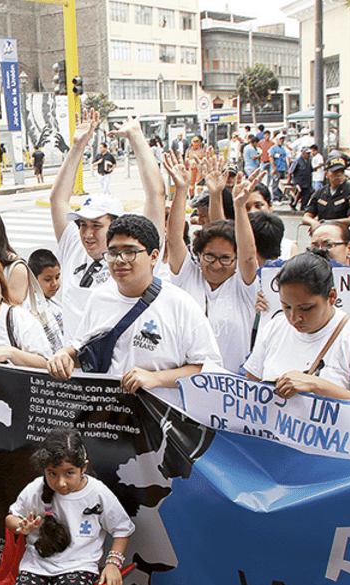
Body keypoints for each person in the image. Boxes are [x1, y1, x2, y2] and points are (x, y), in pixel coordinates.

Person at [47, 214, 222, 407]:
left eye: (130, 252)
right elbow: (83, 348)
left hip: (157, 427)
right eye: (112, 253)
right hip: (106, 421)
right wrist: (64, 355)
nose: (119, 260)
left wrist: (156, 379)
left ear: (153, 256)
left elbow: (207, 370)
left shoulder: (181, 305)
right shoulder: (98, 299)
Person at [243, 250, 350, 453]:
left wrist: (315, 385)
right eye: (286, 306)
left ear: (331, 296)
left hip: (330, 462)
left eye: (306, 308)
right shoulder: (276, 326)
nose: (295, 317)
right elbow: (249, 386)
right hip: (274, 453)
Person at [50, 109, 165, 340]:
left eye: (96, 226)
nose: (86, 234)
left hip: (116, 368)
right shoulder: (74, 246)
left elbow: (156, 195)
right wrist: (77, 147)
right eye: (82, 225)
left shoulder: (134, 258)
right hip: (73, 366)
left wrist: (135, 137)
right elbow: (58, 200)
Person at [4, 428, 134, 585]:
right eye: (52, 474)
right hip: (37, 565)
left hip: (78, 567)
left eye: (69, 473)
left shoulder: (98, 493)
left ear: (84, 467)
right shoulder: (36, 488)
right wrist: (21, 527)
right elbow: (11, 517)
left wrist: (113, 563)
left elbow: (122, 529)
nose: (61, 482)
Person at [163, 152, 263, 373]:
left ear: (235, 260)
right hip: (184, 386)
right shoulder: (188, 275)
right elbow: (174, 238)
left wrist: (238, 206)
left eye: (226, 258)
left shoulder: (243, 286)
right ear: (198, 254)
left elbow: (248, 254)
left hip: (231, 392)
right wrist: (181, 190)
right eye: (209, 256)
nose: (217, 265)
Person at [302, 152, 350, 230]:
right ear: (326, 174)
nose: (339, 174)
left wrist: (326, 223)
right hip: (323, 232)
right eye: (335, 171)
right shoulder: (321, 192)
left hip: (341, 234)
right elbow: (306, 217)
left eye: (342, 171)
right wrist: (314, 223)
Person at [29, 249, 64, 341]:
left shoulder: (51, 300)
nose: (54, 283)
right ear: (33, 279)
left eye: (57, 277)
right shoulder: (36, 307)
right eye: (48, 279)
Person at [287, 145, 314, 212]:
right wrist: (289, 181)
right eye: (307, 153)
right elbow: (291, 171)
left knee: (307, 194)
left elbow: (311, 170)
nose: (308, 155)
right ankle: (293, 204)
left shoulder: (309, 161)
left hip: (306, 181)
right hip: (298, 181)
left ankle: (303, 206)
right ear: (303, 153)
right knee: (297, 195)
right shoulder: (297, 160)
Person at [269, 133, 289, 201]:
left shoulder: (283, 149)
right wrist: (274, 168)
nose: (282, 140)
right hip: (277, 168)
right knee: (276, 183)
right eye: (280, 139)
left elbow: (284, 159)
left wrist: (286, 168)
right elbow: (271, 158)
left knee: (281, 184)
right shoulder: (273, 148)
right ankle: (275, 197)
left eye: (283, 139)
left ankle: (281, 196)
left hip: (282, 168)